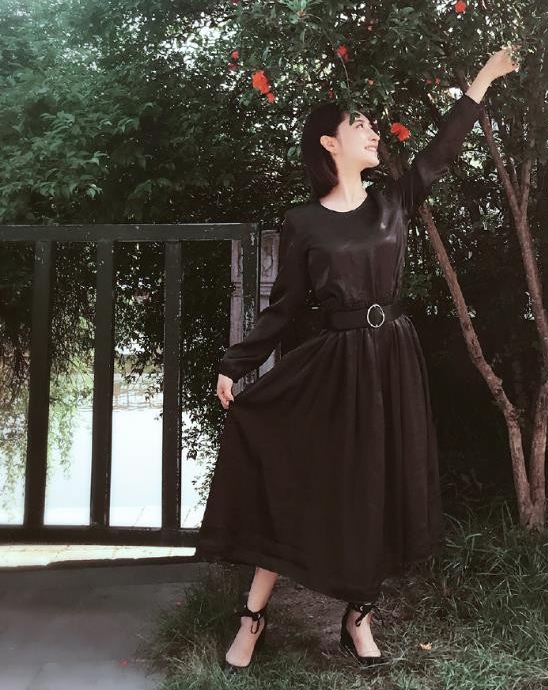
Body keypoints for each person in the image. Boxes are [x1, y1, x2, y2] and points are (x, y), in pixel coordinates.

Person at [194, 45, 520, 674]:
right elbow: (285, 307)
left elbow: (442, 151)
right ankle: (252, 617)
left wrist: (482, 79)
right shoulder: (303, 223)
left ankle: (359, 619)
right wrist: (236, 363)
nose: (373, 133)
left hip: (392, 358)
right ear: (330, 143)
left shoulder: (393, 201)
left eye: (372, 124)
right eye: (360, 125)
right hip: (335, 367)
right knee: (297, 481)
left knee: (380, 487)